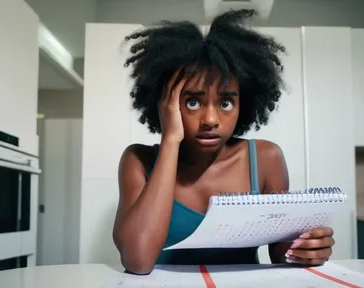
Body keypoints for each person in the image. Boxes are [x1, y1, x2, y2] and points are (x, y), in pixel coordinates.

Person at [113, 9, 335, 275]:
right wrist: (171, 139)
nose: (210, 119)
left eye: (226, 102)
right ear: (165, 103)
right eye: (192, 102)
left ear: (245, 103)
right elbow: (138, 260)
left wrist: (308, 248)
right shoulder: (138, 161)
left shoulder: (265, 159)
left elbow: (281, 255)